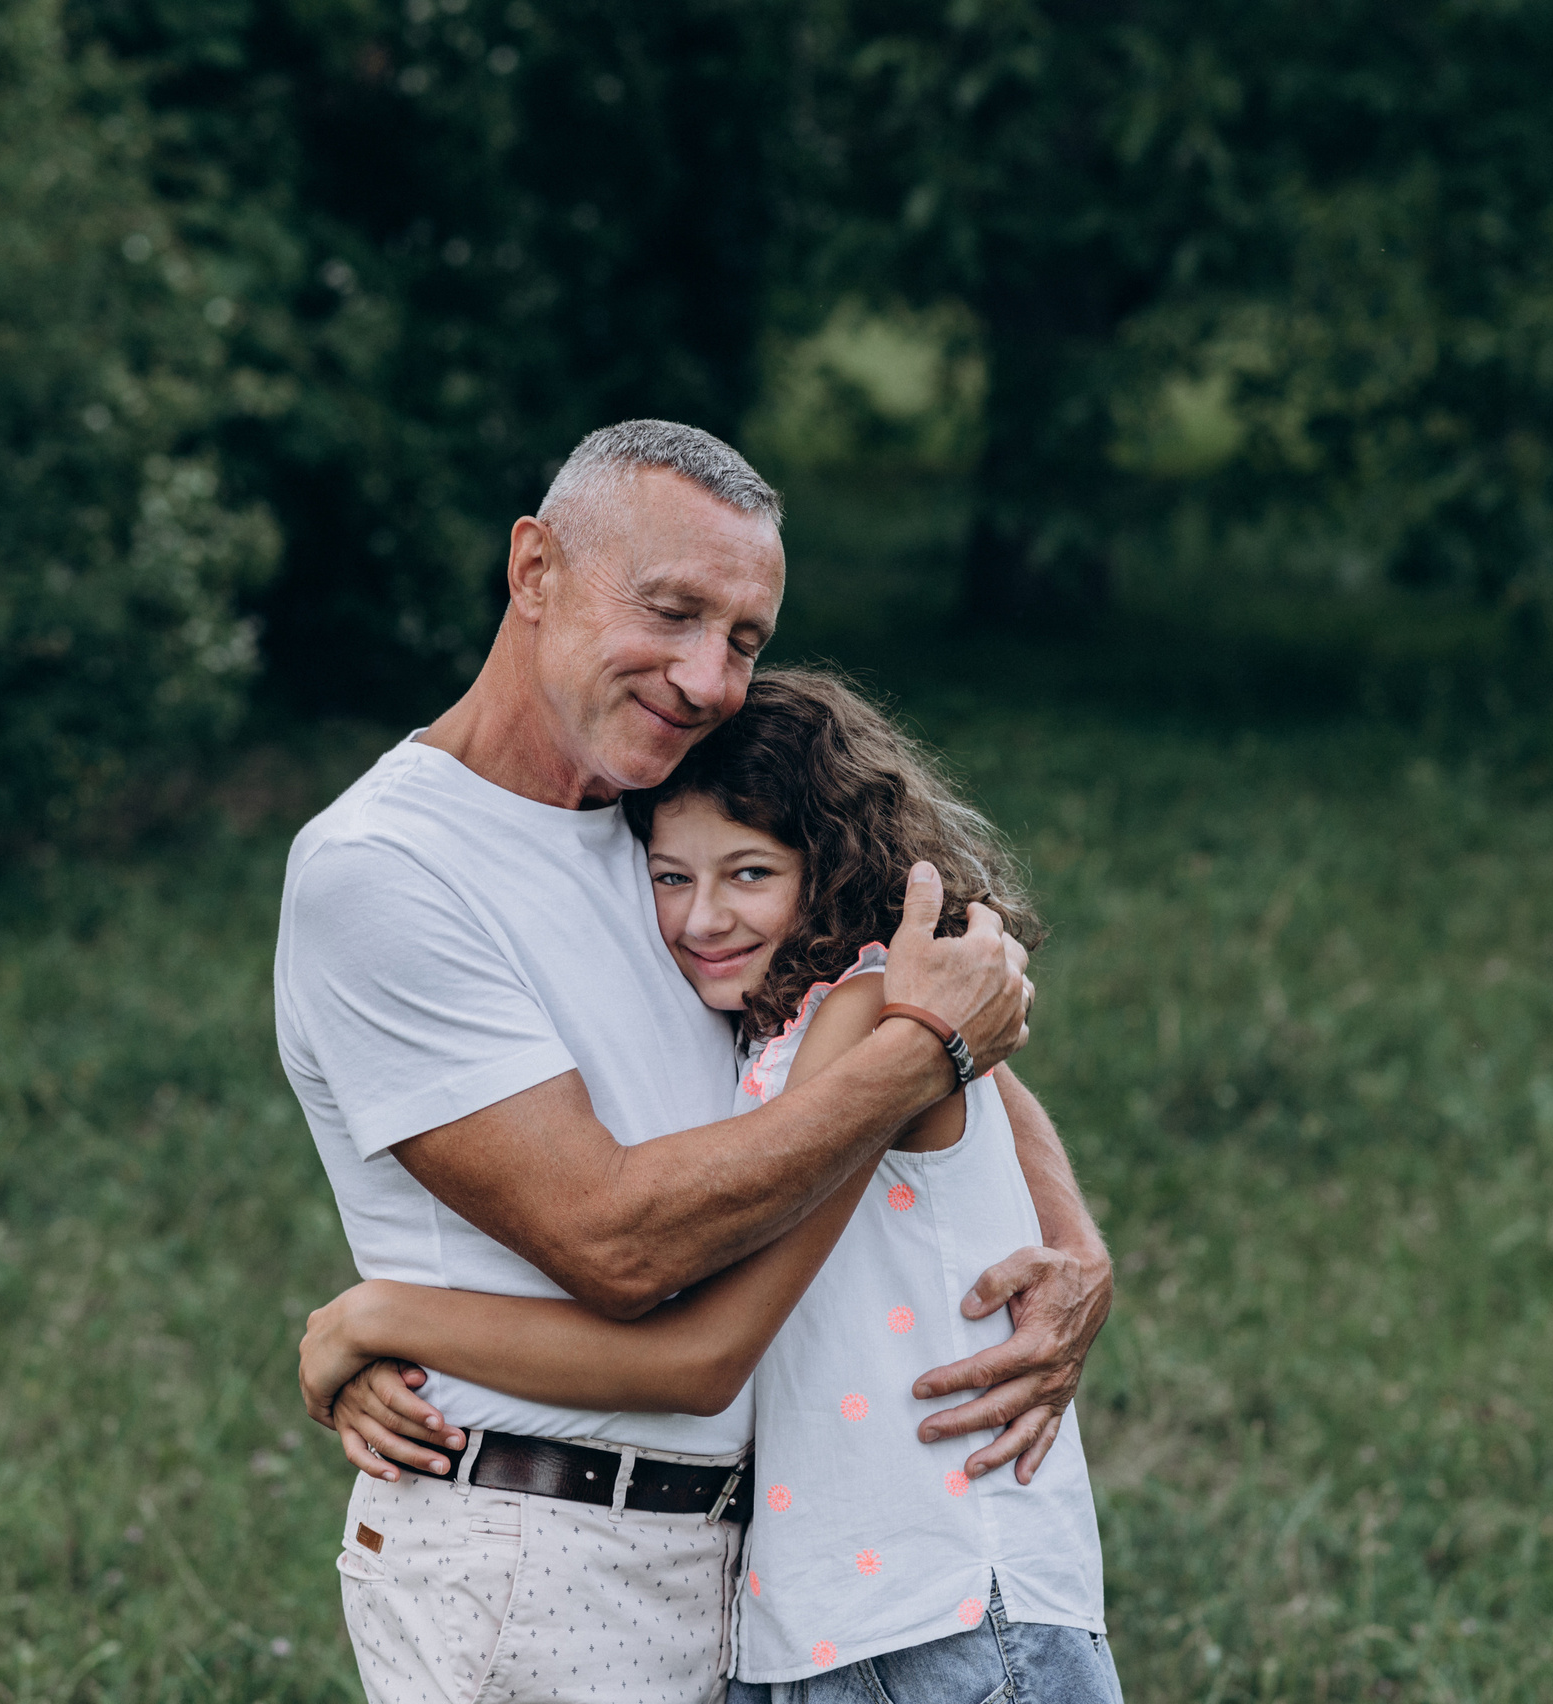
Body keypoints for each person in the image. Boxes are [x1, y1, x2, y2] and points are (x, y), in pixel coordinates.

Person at [276, 420, 1112, 1703]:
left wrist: (1072, 1250)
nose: (710, 679)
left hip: (745, 1561)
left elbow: (941, 1035)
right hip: (533, 1547)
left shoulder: (664, 821)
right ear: (535, 570)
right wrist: (921, 1051)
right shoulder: (388, 869)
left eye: (744, 639)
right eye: (670, 612)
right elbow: (619, 1246)